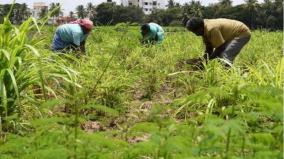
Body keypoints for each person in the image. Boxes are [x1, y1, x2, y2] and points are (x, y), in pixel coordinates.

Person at [185, 17, 251, 66]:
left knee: (224, 56)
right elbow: (209, 48)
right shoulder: (204, 30)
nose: (195, 34)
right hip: (230, 35)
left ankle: (228, 77)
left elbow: (220, 47)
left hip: (241, 33)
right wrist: (203, 60)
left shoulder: (211, 29)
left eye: (195, 31)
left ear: (200, 27)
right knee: (219, 56)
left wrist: (207, 61)